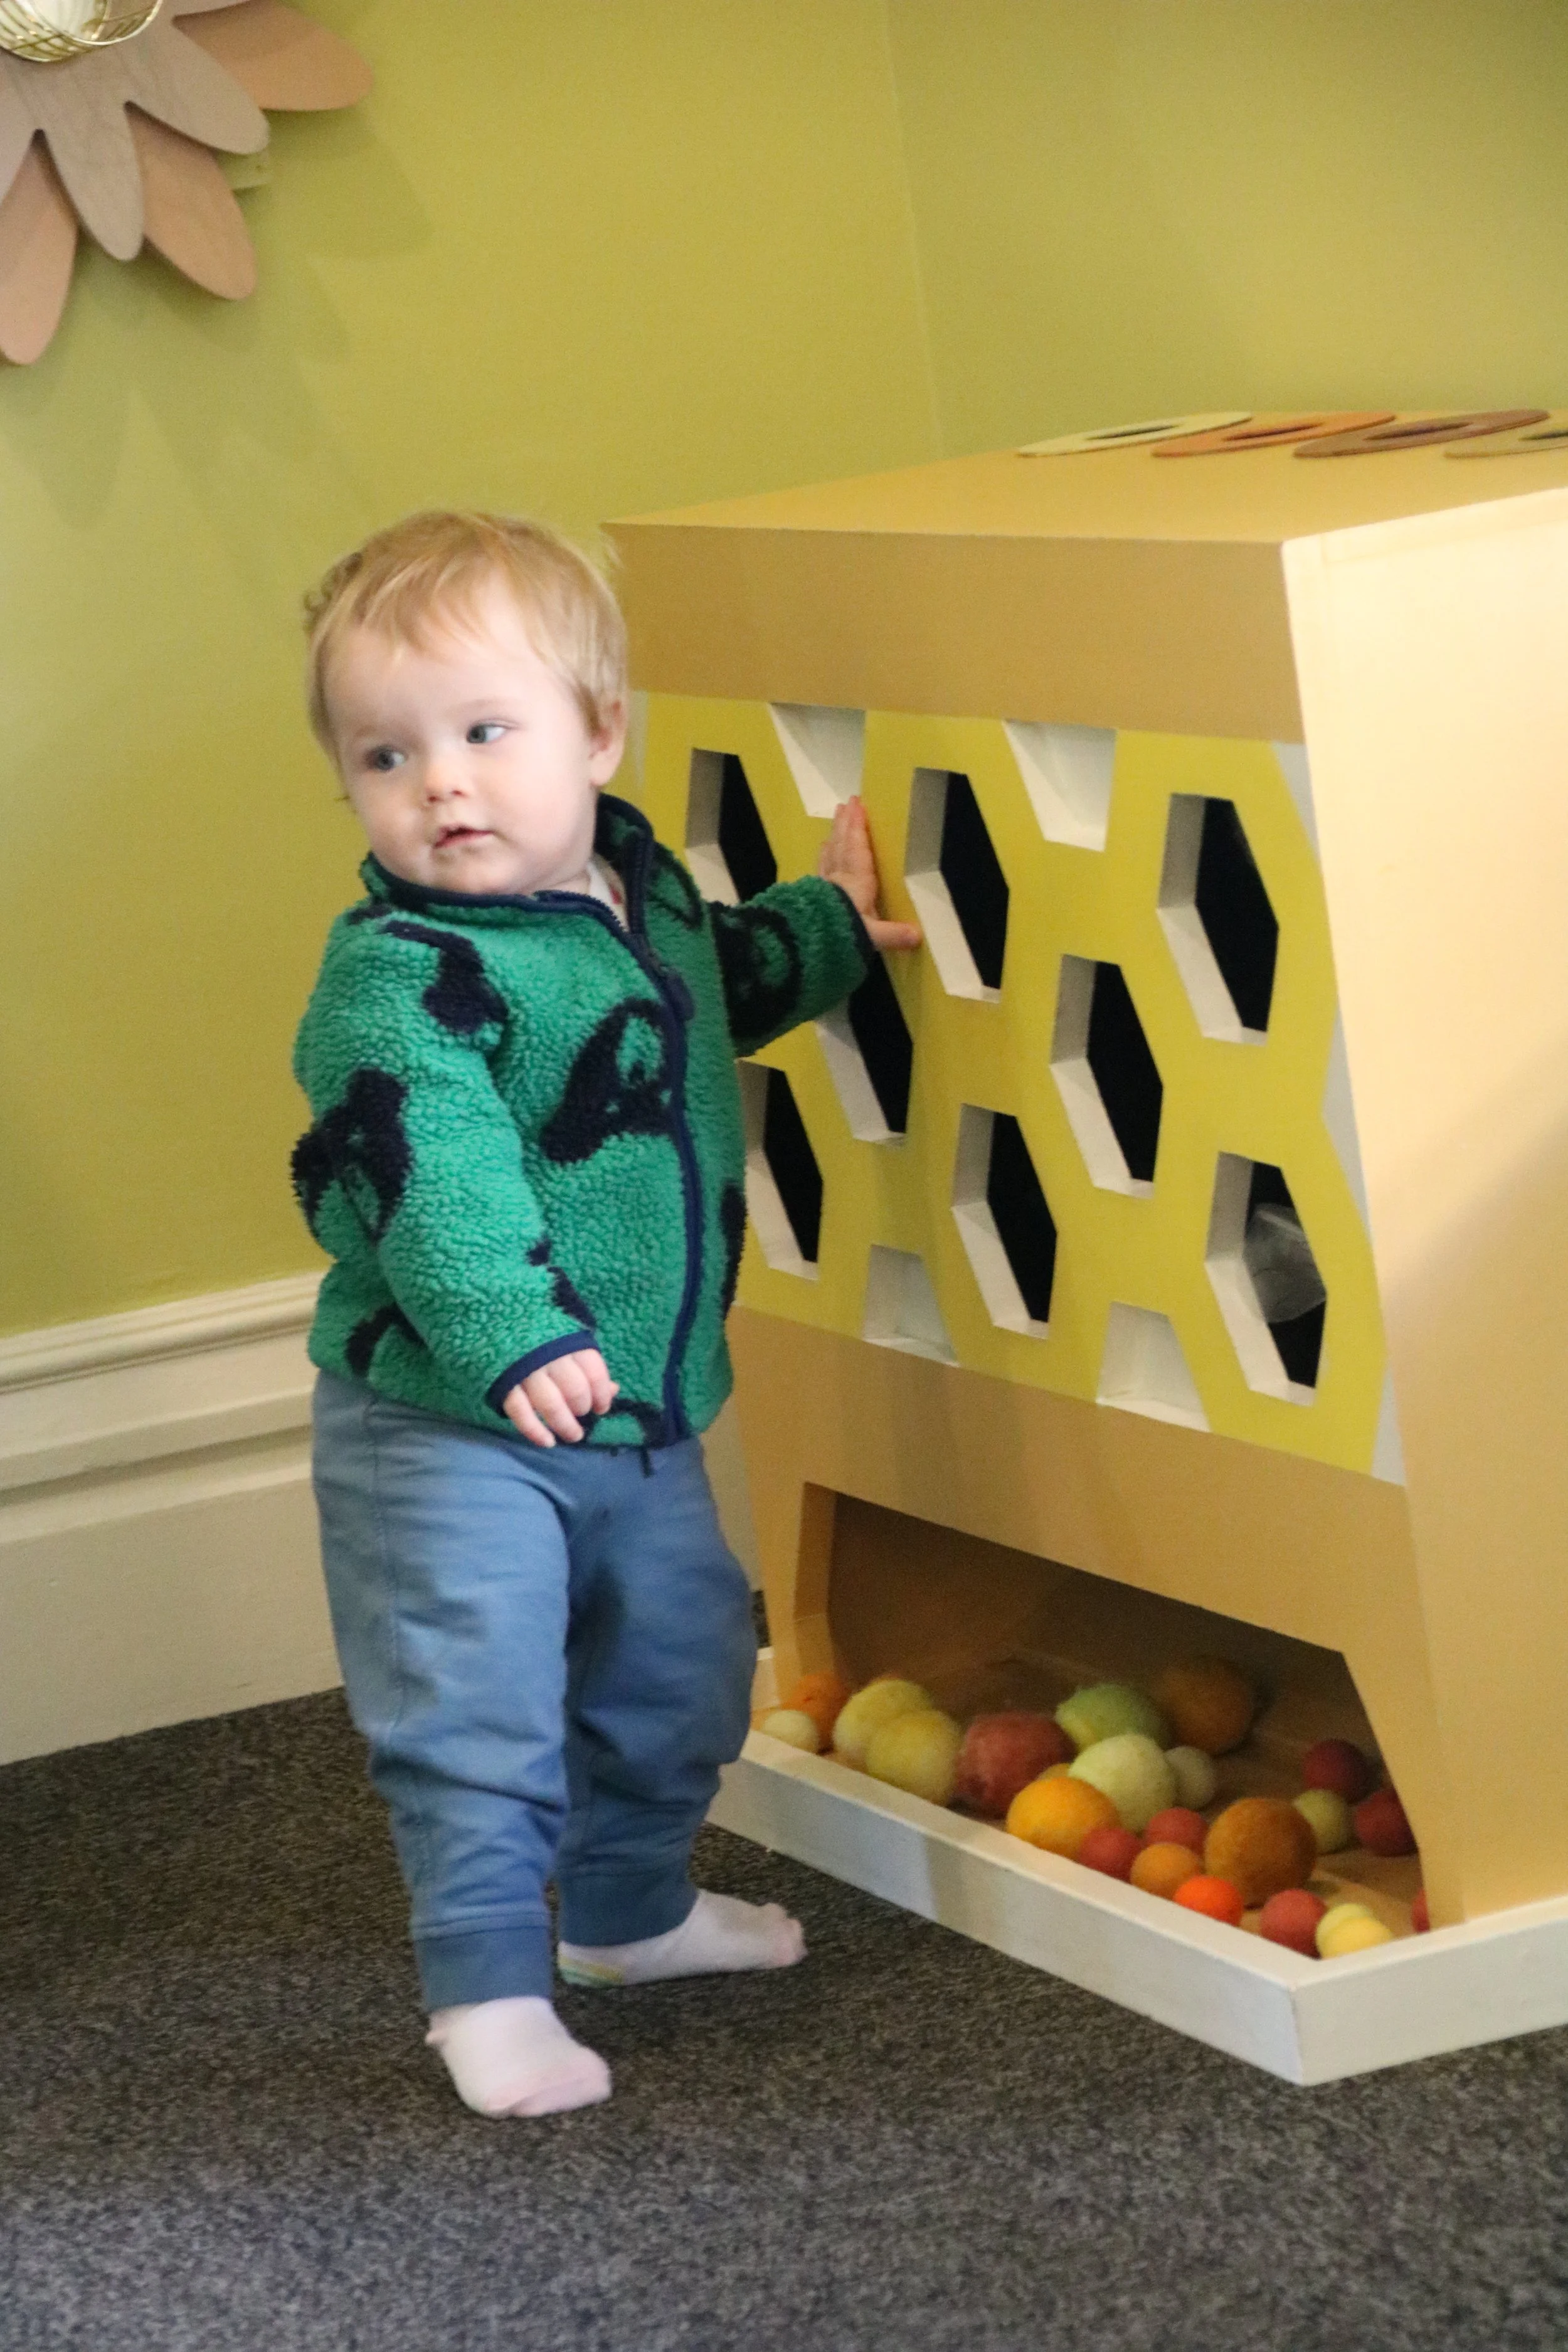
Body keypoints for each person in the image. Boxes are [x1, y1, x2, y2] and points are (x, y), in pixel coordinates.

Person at [291, 510, 919, 2119]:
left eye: (484, 733)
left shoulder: (646, 906)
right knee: (476, 1704)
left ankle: (628, 1914)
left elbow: (714, 992)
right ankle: (486, 1991)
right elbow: (428, 1172)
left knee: (685, 1667)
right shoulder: (400, 973)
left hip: (641, 1412)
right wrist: (511, 1332)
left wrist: (831, 934)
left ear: (597, 732)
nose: (440, 785)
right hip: (451, 1419)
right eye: (385, 755)